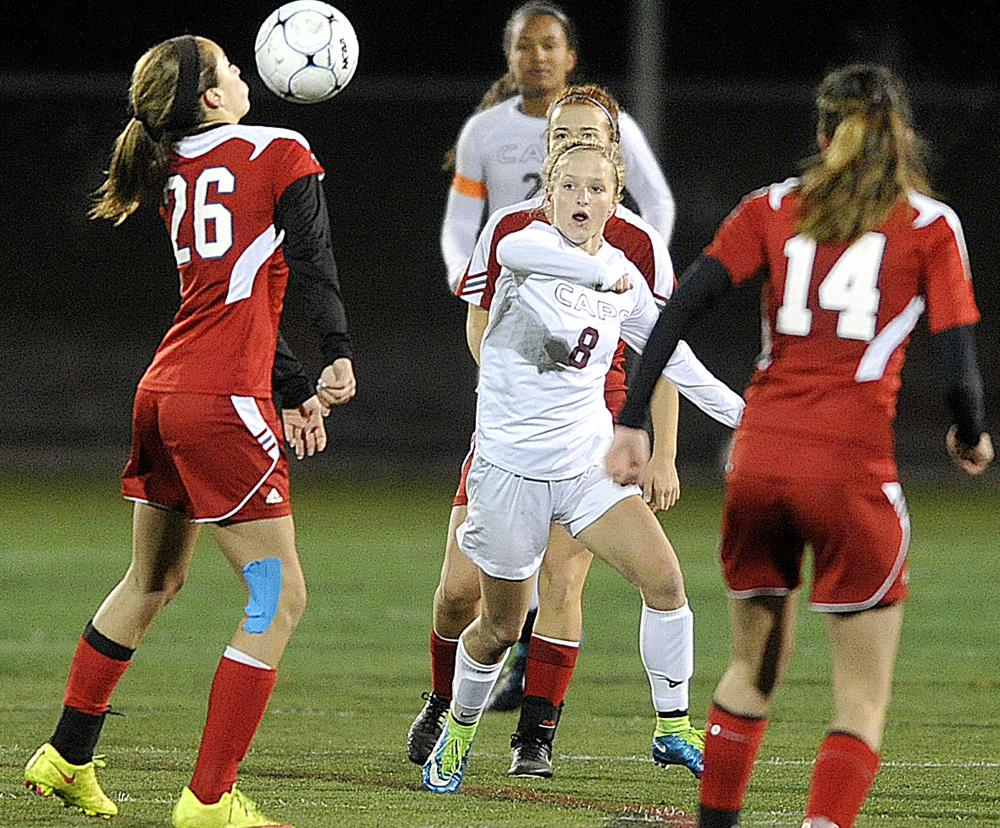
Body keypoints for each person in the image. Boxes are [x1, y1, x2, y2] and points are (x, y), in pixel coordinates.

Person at [605, 64, 992, 828]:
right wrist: (970, 434)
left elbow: (676, 306)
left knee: (751, 669)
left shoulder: (772, 208)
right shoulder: (929, 225)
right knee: (862, 699)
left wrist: (633, 424)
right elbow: (958, 367)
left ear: (821, 134)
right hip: (848, 472)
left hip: (758, 463)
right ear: (902, 138)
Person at [23, 35, 356, 828]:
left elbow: (237, 298)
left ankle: (66, 758)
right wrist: (336, 352)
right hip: (219, 405)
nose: (244, 74)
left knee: (151, 582)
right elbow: (311, 258)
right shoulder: (280, 148)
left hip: (166, 392)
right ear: (210, 96)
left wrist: (294, 386)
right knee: (278, 598)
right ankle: (209, 801)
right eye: (230, 68)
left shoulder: (177, 171)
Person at [421, 137, 745, 794]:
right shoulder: (522, 248)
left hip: (584, 466)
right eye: (569, 186)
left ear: (615, 199)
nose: (581, 199)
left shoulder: (626, 273)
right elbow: (519, 253)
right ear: (548, 193)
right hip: (510, 473)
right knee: (500, 627)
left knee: (665, 582)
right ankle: (458, 728)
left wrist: (755, 419)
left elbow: (677, 364)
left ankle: (672, 725)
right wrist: (604, 276)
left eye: (597, 188)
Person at [438, 0, 678, 719]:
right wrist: (477, 300)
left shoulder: (629, 244)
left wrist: (630, 264)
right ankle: (446, 699)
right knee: (460, 592)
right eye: (525, 46)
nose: (538, 58)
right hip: (514, 405)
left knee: (568, 580)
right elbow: (462, 235)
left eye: (552, 45)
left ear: (612, 154)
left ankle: (535, 734)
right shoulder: (498, 177)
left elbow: (660, 342)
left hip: (594, 402)